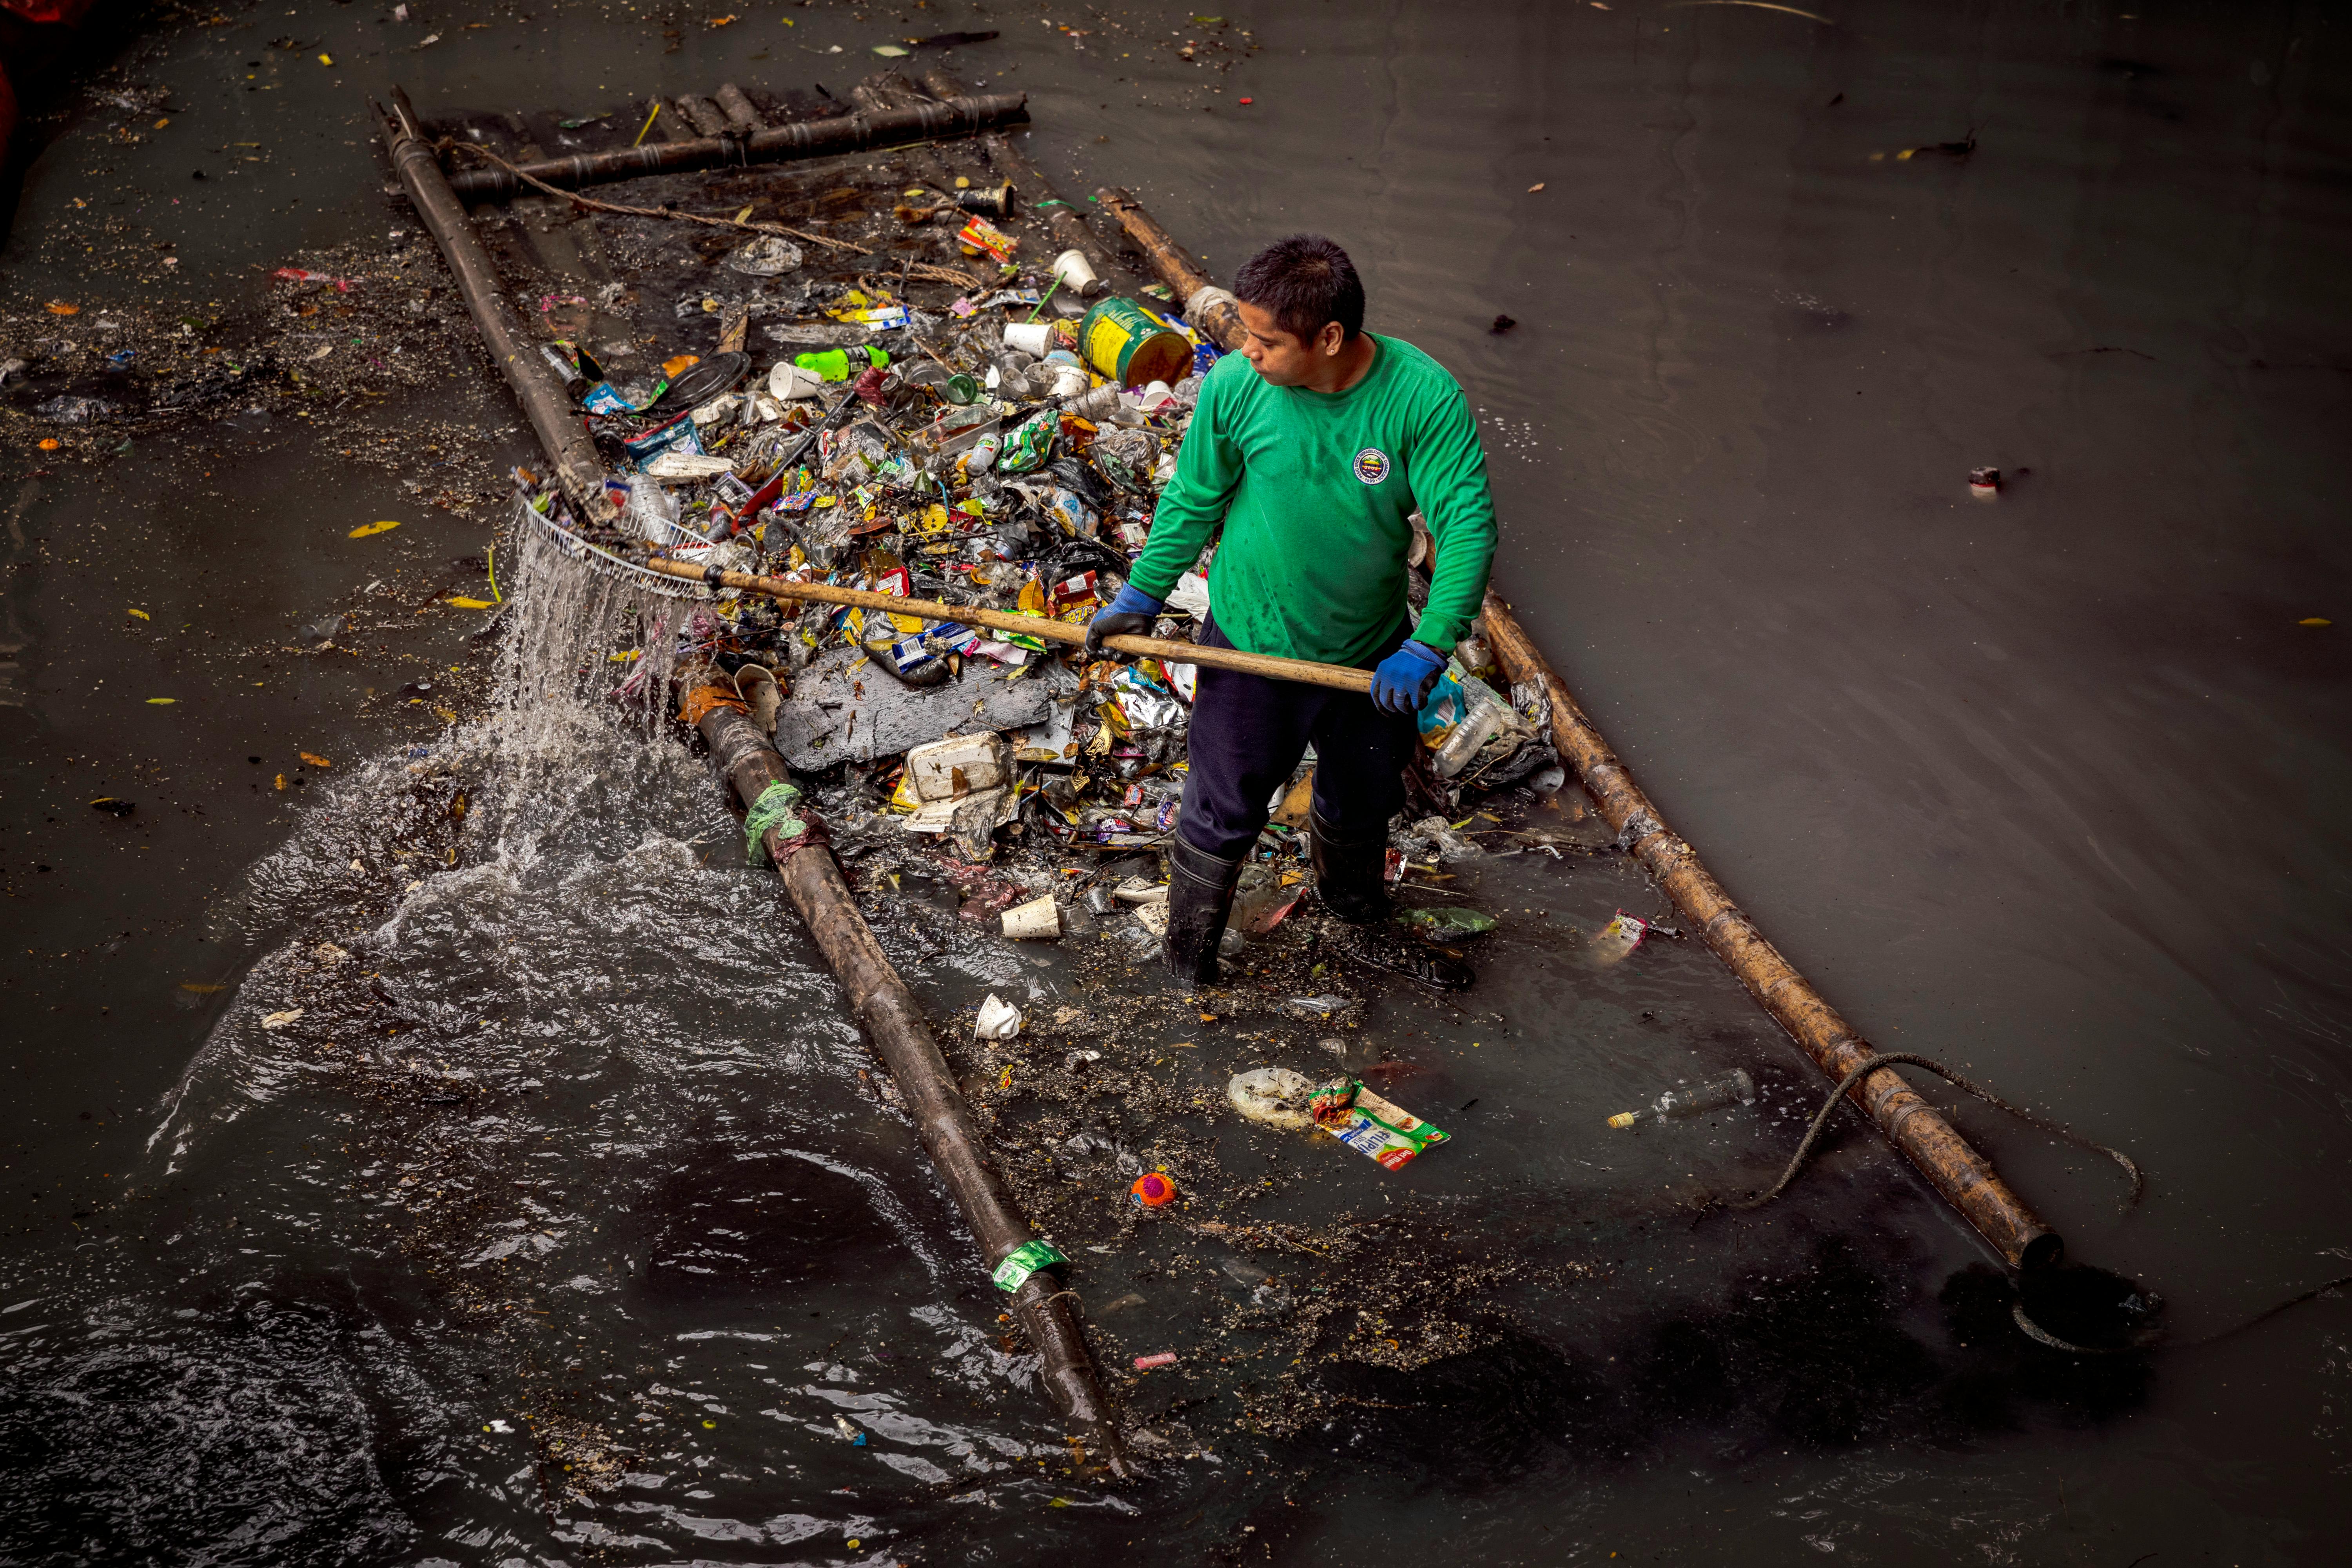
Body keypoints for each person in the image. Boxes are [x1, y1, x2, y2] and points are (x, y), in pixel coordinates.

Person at [1085, 235, 1497, 989]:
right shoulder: (1235, 389)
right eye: (1244, 331)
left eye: (1267, 340)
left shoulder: (1421, 397)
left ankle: (1353, 918)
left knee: (1364, 797)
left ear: (1330, 339)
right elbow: (1193, 496)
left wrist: (1430, 644)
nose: (1247, 351)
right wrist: (1142, 595)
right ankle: (1187, 963)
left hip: (1371, 653)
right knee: (1222, 811)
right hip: (1251, 648)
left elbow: (1466, 526)